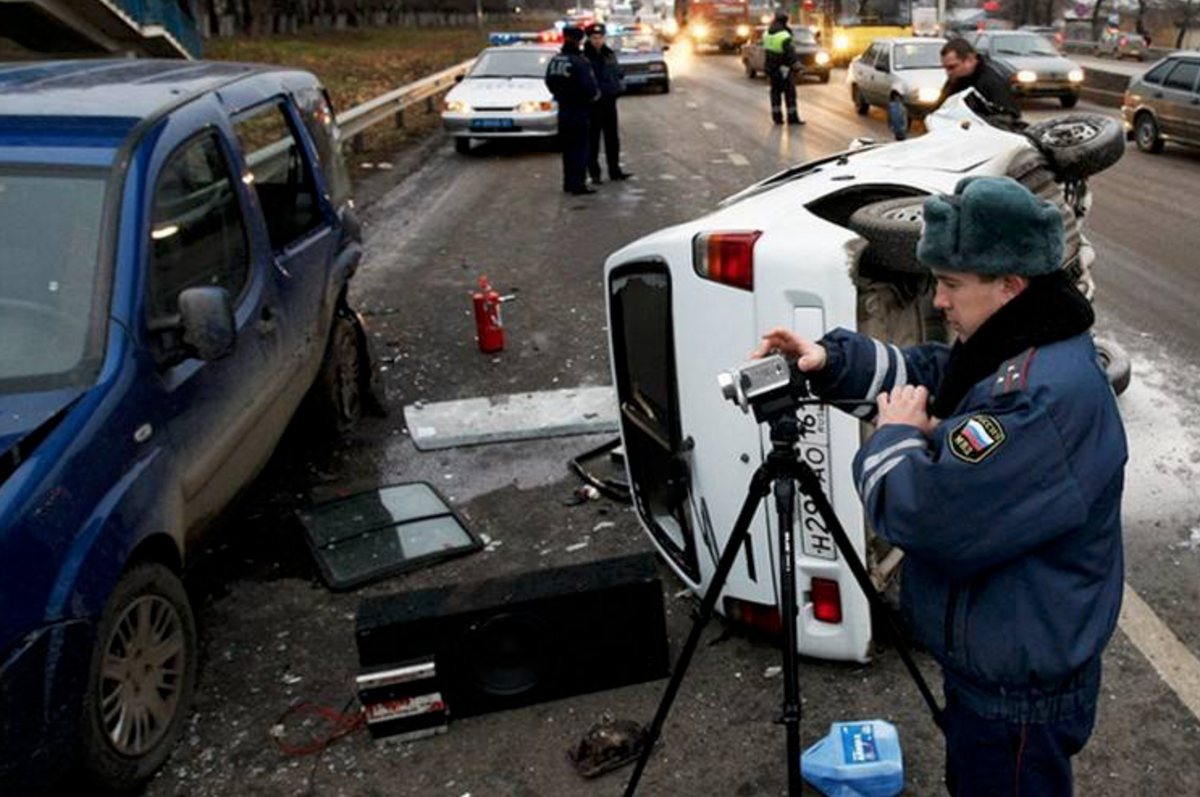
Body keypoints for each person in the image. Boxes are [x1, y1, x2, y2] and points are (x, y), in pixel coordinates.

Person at [754, 177, 1127, 796]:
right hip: (998, 658)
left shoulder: (1040, 398)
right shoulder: (1019, 340)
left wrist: (896, 437)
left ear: (1010, 284)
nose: (940, 300)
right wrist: (830, 361)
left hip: (1016, 691)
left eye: (952, 284)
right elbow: (942, 378)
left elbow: (929, 518)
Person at [545, 26, 599, 195]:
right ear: (579, 41)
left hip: (563, 109)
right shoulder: (580, 62)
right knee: (580, 148)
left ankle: (568, 182)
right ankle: (578, 184)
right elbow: (590, 88)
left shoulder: (556, 60)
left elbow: (549, 82)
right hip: (579, 110)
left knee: (567, 149)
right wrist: (589, 97)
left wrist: (561, 95)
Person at [583, 23, 633, 183]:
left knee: (612, 139)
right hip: (594, 104)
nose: (597, 41)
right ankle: (595, 173)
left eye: (600, 38)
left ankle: (614, 170)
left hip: (609, 101)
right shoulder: (585, 56)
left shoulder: (609, 54)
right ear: (589, 38)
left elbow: (618, 72)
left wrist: (618, 86)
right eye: (594, 38)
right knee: (593, 140)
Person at [936, 38, 1021, 119]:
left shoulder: (991, 82)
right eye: (946, 68)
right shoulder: (957, 79)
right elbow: (941, 107)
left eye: (952, 67)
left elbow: (1009, 115)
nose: (948, 72)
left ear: (970, 60)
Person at [763, 10, 804, 125]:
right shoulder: (784, 35)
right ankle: (792, 118)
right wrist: (797, 67)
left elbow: (768, 52)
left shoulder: (767, 33)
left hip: (771, 69)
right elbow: (790, 56)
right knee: (790, 94)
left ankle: (777, 118)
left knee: (775, 93)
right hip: (784, 70)